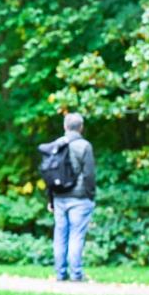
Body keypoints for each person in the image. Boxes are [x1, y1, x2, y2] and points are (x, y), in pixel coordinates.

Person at [47, 112, 96, 282]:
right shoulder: (84, 146)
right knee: (76, 235)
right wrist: (90, 195)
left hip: (59, 198)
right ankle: (76, 275)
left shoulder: (56, 145)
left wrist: (50, 200)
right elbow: (89, 174)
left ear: (65, 127)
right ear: (81, 127)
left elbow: (49, 175)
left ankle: (60, 274)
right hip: (80, 198)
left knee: (60, 235)